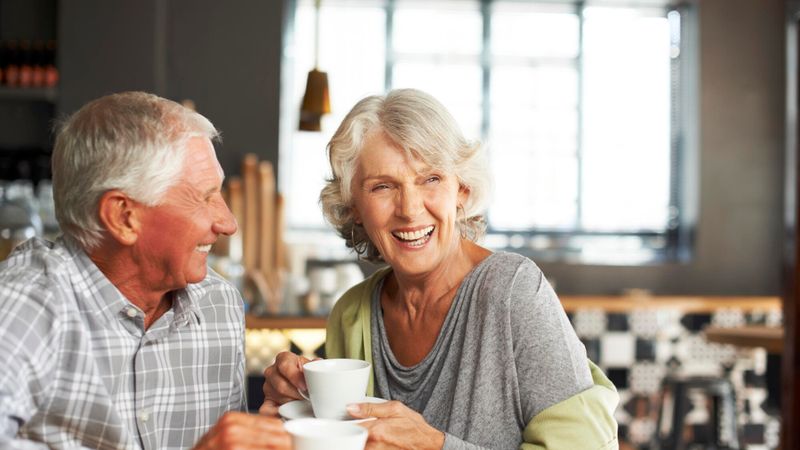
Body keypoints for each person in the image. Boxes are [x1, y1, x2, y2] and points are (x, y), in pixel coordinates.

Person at [261, 89, 619, 449]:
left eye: (430, 179)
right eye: (383, 186)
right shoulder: (352, 314)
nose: (410, 209)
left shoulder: (513, 292)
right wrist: (297, 407)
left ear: (461, 190)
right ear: (353, 205)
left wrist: (434, 445)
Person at [0, 92, 290, 450]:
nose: (228, 223)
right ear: (124, 217)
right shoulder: (24, 305)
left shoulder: (219, 303)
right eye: (204, 197)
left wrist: (281, 426)